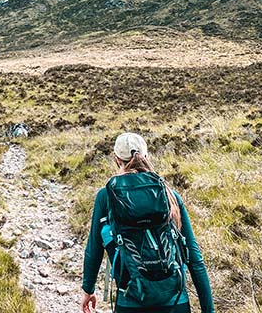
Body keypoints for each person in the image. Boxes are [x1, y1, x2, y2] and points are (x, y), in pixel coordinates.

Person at [80, 132, 215, 313]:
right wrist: (208, 310)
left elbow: (94, 249)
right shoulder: (169, 195)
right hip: (176, 301)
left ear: (116, 159)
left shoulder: (106, 196)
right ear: (146, 156)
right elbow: (195, 259)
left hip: (130, 301)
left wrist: (88, 289)